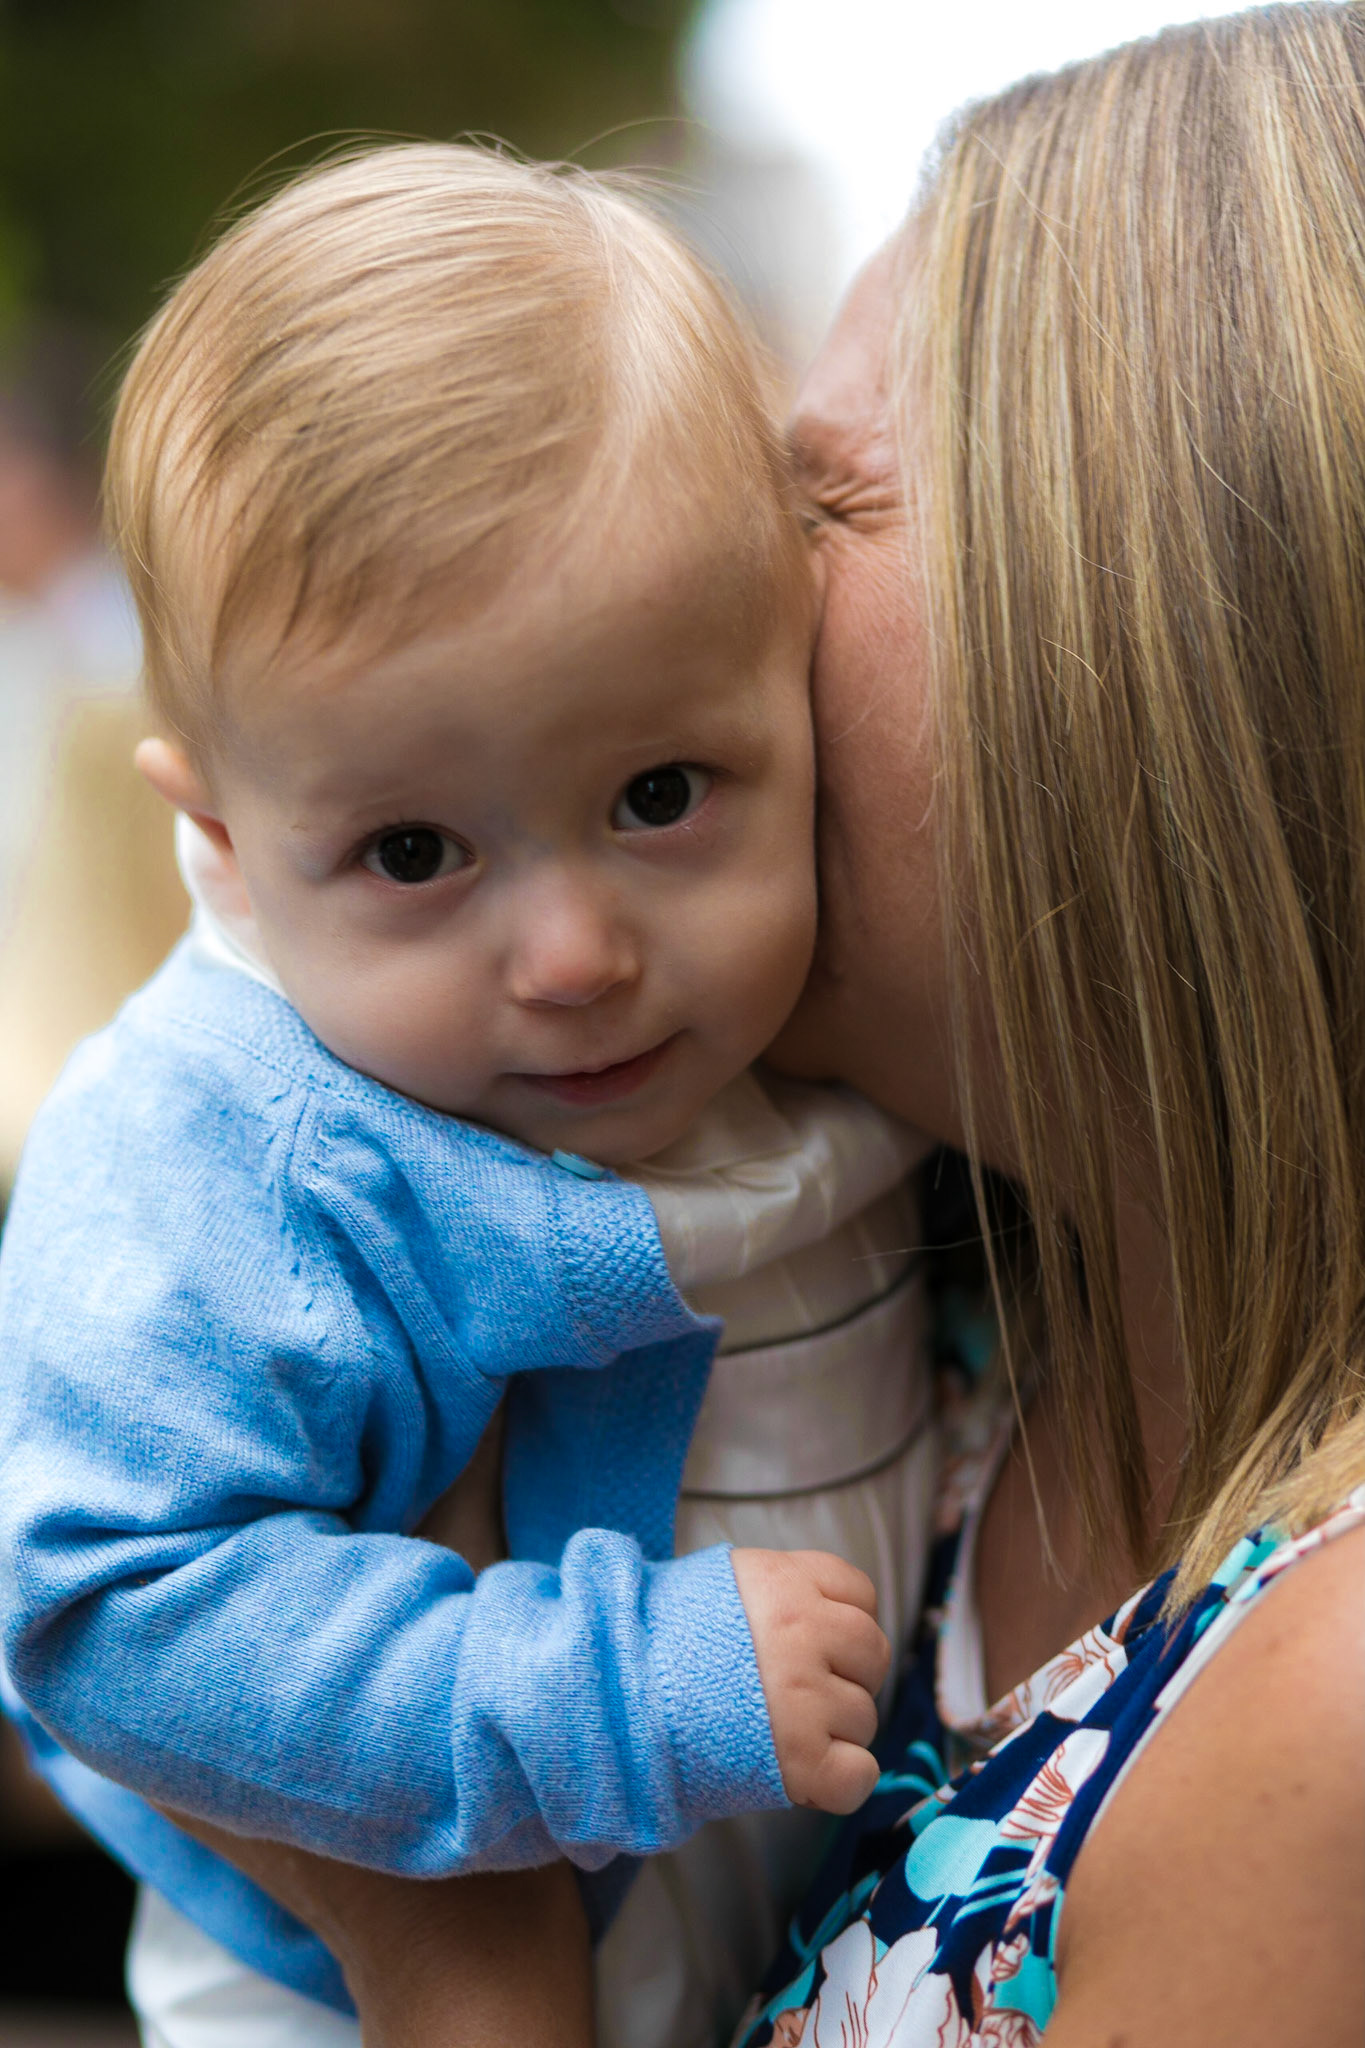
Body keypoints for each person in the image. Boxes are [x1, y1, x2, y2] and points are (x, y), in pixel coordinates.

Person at [173, 7, 1365, 2044]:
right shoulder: (922, 1285)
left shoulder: (1326, 1735)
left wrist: (450, 1950)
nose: (720, 605)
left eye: (821, 499)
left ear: (1139, 638)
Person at [0, 145, 942, 2048]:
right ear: (226, 835)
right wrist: (610, 1693)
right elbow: (97, 1602)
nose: (578, 951)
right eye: (418, 848)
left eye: (663, 794)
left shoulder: (842, 1027)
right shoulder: (225, 1140)